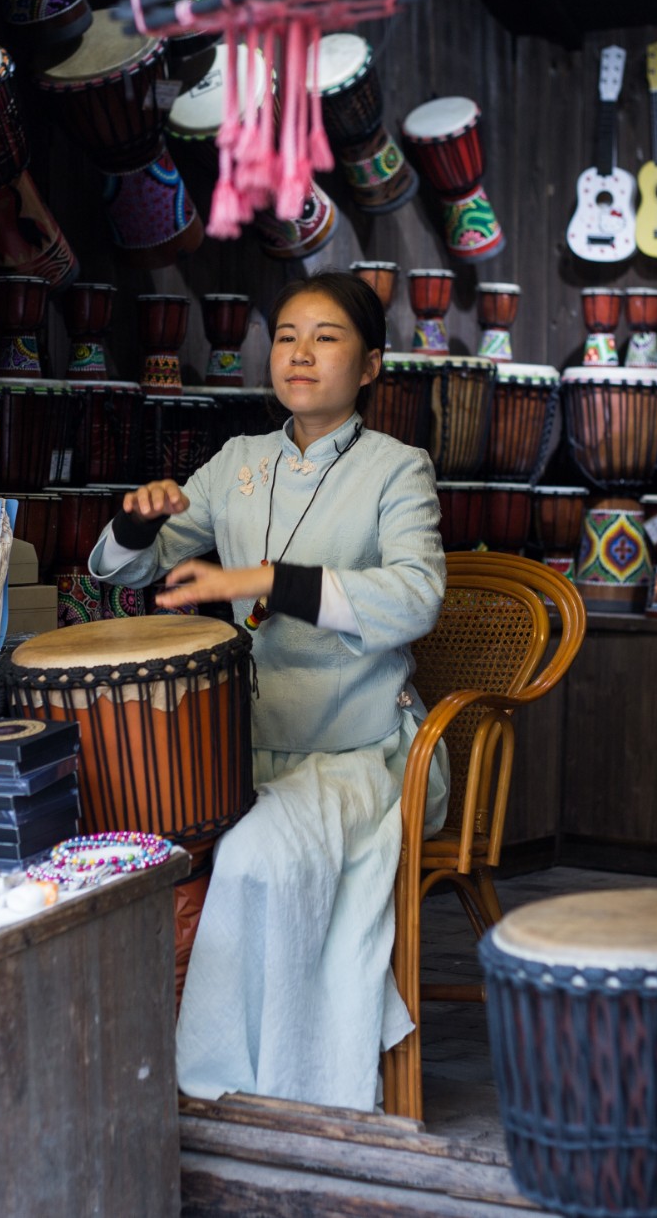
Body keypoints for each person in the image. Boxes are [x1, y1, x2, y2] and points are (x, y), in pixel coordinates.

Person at [88, 271, 449, 1111]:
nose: (300, 352)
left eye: (326, 336)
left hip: (357, 754)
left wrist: (264, 580)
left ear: (369, 367)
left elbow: (415, 597)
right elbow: (135, 566)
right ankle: (192, 1082)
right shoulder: (240, 462)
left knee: (252, 859)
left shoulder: (399, 469)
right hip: (238, 751)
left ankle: (256, 1088)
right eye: (287, 334)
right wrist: (140, 522)